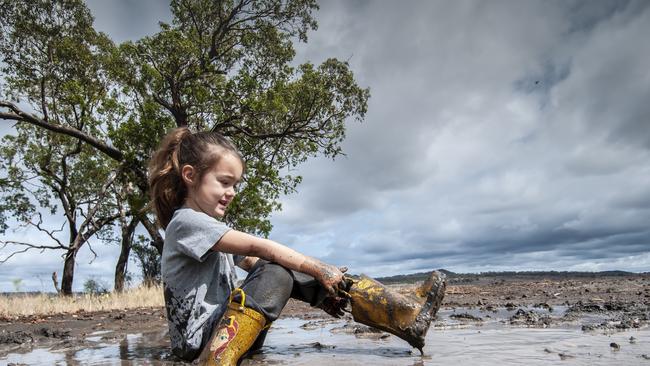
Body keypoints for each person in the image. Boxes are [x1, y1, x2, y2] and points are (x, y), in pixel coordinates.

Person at [148, 127, 446, 366]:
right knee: (278, 266)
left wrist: (315, 283)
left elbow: (253, 263)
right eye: (225, 182)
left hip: (227, 333)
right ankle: (217, 361)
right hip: (201, 344)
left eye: (236, 185)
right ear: (190, 175)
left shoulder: (205, 227)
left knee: (280, 268)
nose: (232, 193)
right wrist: (317, 267)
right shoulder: (186, 222)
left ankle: (402, 316)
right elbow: (260, 247)